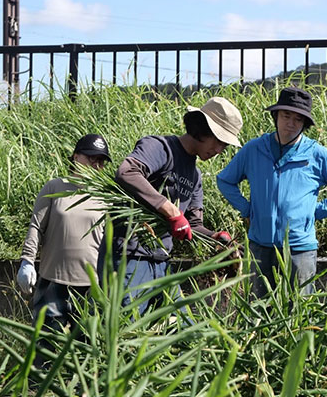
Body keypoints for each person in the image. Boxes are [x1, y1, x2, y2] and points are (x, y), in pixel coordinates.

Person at [99, 97, 243, 316]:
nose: (220, 150)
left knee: (182, 331)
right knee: (124, 329)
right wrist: (170, 209)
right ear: (203, 129)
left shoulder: (195, 176)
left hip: (162, 263)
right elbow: (127, 171)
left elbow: (192, 224)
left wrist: (215, 237)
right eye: (220, 141)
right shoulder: (160, 148)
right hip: (130, 258)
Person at [216, 86, 327, 298]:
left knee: (299, 309)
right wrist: (247, 208)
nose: (291, 123)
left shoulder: (316, 154)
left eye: (298, 119)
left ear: (304, 124)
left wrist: (316, 211)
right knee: (260, 307)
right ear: (275, 116)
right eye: (286, 115)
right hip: (260, 245)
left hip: (299, 248)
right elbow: (225, 180)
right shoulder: (254, 149)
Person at [17, 133, 112, 367]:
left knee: (87, 347)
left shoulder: (107, 196)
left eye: (101, 161)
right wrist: (27, 260)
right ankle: (38, 391)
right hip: (53, 281)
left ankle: (81, 396)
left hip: (91, 285)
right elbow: (36, 226)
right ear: (76, 156)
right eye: (90, 158)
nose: (95, 164)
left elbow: (112, 242)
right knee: (45, 342)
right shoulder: (55, 187)